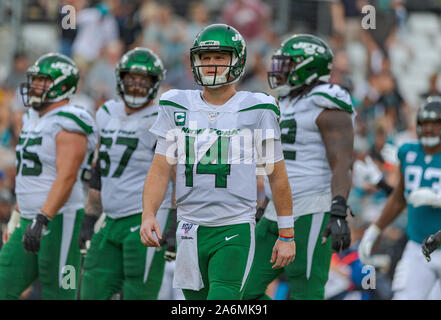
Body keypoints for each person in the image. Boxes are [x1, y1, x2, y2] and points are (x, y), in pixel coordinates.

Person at [140, 23, 295, 300]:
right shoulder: (175, 104)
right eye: (205, 57)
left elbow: (277, 175)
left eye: (220, 57)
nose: (211, 64)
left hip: (233, 224)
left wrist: (286, 234)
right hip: (188, 228)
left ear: (237, 61)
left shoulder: (258, 108)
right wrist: (149, 213)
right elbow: (161, 168)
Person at [243, 34, 355, 300]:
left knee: (305, 293)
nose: (281, 70)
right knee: (239, 289)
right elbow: (285, 165)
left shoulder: (327, 101)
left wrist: (339, 207)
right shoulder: (288, 102)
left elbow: (343, 161)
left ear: (309, 67)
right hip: (276, 209)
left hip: (311, 209)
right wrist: (264, 205)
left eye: (289, 64)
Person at [0, 53, 98, 299]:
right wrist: (17, 215)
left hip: (60, 220)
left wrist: (43, 218)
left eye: (42, 82)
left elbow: (67, 176)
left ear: (63, 86)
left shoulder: (70, 120)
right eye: (34, 80)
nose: (34, 86)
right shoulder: (32, 118)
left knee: (60, 292)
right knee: (4, 283)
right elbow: (27, 176)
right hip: (29, 219)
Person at [79, 48, 174, 300]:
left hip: (145, 219)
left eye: (144, 80)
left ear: (155, 83)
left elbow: (175, 173)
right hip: (111, 218)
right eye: (131, 78)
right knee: (91, 288)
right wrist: (90, 217)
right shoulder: (107, 111)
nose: (136, 86)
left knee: (139, 294)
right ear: (120, 78)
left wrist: (174, 220)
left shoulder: (162, 116)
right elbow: (99, 168)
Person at [358, 96, 441, 299]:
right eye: (425, 124)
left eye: (435, 124)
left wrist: (438, 199)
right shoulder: (409, 153)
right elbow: (398, 198)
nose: (429, 129)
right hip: (417, 246)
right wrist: (375, 229)